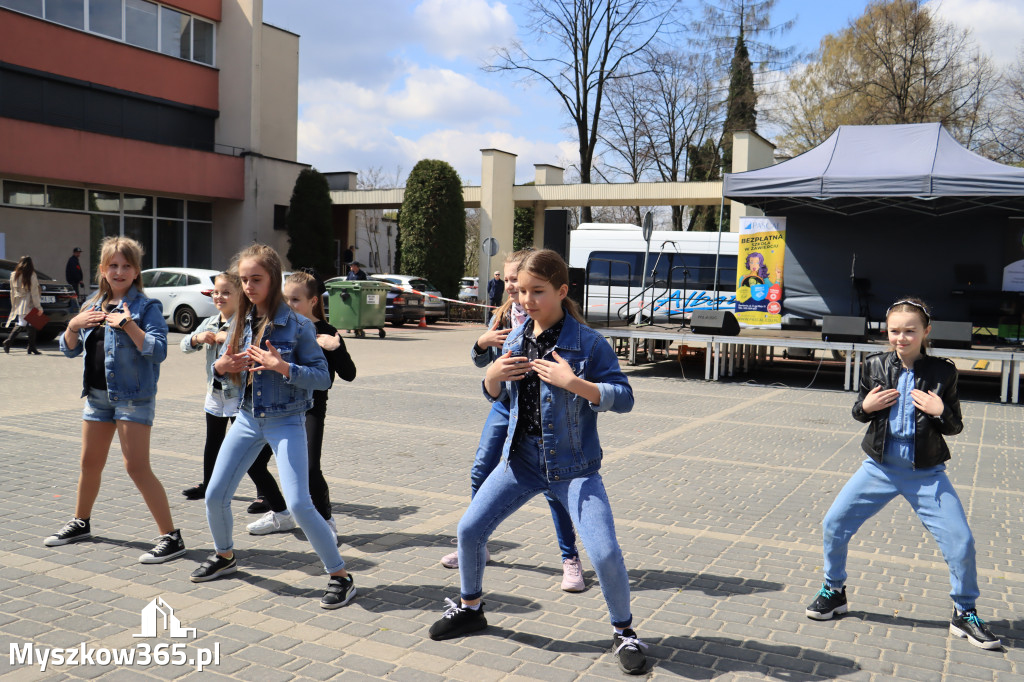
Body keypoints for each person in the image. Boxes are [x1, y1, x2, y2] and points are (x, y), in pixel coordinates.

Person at [428, 249, 649, 675]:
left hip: (575, 468)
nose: (525, 300)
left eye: (537, 292)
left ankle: (624, 632)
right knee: (469, 530)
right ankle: (471, 607)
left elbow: (625, 398)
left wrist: (576, 383)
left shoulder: (588, 343)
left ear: (562, 291)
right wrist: (490, 380)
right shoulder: (515, 337)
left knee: (604, 553)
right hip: (521, 461)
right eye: (521, 291)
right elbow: (500, 397)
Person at [805, 297, 1000, 651]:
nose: (901, 337)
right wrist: (865, 407)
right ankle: (834, 590)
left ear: (926, 331)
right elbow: (859, 411)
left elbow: (954, 425)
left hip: (926, 472)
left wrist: (940, 411)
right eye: (894, 330)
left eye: (910, 331)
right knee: (834, 523)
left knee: (961, 541)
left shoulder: (943, 371)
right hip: (878, 468)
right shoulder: (874, 365)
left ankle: (964, 611)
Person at [191, 243, 356, 610]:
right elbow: (222, 365)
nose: (248, 286)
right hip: (247, 418)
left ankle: (340, 576)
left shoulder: (297, 325)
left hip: (287, 421)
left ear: (273, 279)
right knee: (216, 493)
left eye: (256, 279)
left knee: (299, 503)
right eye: (244, 280)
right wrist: (222, 368)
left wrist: (283, 367)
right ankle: (225, 556)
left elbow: (322, 379)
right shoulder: (240, 320)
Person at [441, 248, 585, 593]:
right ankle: (477, 542)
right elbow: (483, 366)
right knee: (481, 469)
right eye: (506, 280)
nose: (509, 287)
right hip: (505, 406)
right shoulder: (504, 315)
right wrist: (482, 344)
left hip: (545, 416)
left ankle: (570, 559)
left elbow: (587, 369)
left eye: (513, 280)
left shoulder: (560, 320)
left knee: (554, 488)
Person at [46, 237, 186, 564]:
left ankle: (172, 537)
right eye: (113, 265)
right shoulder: (91, 305)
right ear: (103, 270)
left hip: (133, 398)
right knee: (89, 463)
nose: (119, 271)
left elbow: (159, 350)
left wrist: (129, 325)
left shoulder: (146, 308)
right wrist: (72, 325)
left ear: (136, 271)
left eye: (126, 266)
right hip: (97, 397)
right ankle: (81, 522)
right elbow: (70, 349)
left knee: (136, 467)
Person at [245, 269, 356, 537]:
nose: (289, 305)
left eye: (295, 300)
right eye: (285, 299)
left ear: (313, 301)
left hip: (311, 409)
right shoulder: (279, 326)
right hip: (277, 407)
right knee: (252, 462)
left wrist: (335, 348)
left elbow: (349, 374)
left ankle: (326, 520)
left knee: (309, 468)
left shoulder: (327, 332)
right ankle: (281, 514)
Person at [180, 271, 244, 500]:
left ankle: (264, 494)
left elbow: (245, 351)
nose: (219, 297)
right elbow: (184, 346)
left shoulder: (244, 323)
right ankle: (208, 484)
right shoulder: (210, 322)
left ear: (240, 295)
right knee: (213, 440)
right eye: (216, 292)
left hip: (238, 395)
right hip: (215, 392)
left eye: (226, 292)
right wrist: (198, 338)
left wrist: (225, 338)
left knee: (245, 446)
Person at [4, 255, 43, 355]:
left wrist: (14, 304)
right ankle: (11, 342)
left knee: (27, 323)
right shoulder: (31, 274)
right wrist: (38, 307)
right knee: (28, 323)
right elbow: (34, 292)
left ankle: (30, 347)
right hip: (28, 302)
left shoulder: (13, 274)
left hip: (19, 301)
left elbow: (12, 291)